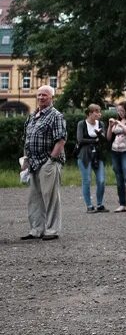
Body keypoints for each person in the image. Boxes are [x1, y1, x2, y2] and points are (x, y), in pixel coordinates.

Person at [20, 85, 66, 241]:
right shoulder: (33, 116)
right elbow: (27, 140)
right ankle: (36, 229)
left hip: (48, 162)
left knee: (51, 198)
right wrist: (25, 160)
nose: (41, 97)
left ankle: (52, 230)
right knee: (34, 198)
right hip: (33, 163)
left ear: (51, 97)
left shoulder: (56, 115)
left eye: (44, 95)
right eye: (39, 95)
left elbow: (60, 141)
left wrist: (51, 160)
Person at [76, 104, 108, 213]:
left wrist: (100, 135)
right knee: (87, 180)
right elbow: (80, 139)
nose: (99, 114)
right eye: (97, 111)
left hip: (98, 155)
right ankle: (89, 205)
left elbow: (104, 139)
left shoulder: (101, 124)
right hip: (84, 155)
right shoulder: (82, 124)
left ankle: (100, 204)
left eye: (99, 111)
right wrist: (95, 140)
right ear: (90, 113)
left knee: (101, 180)